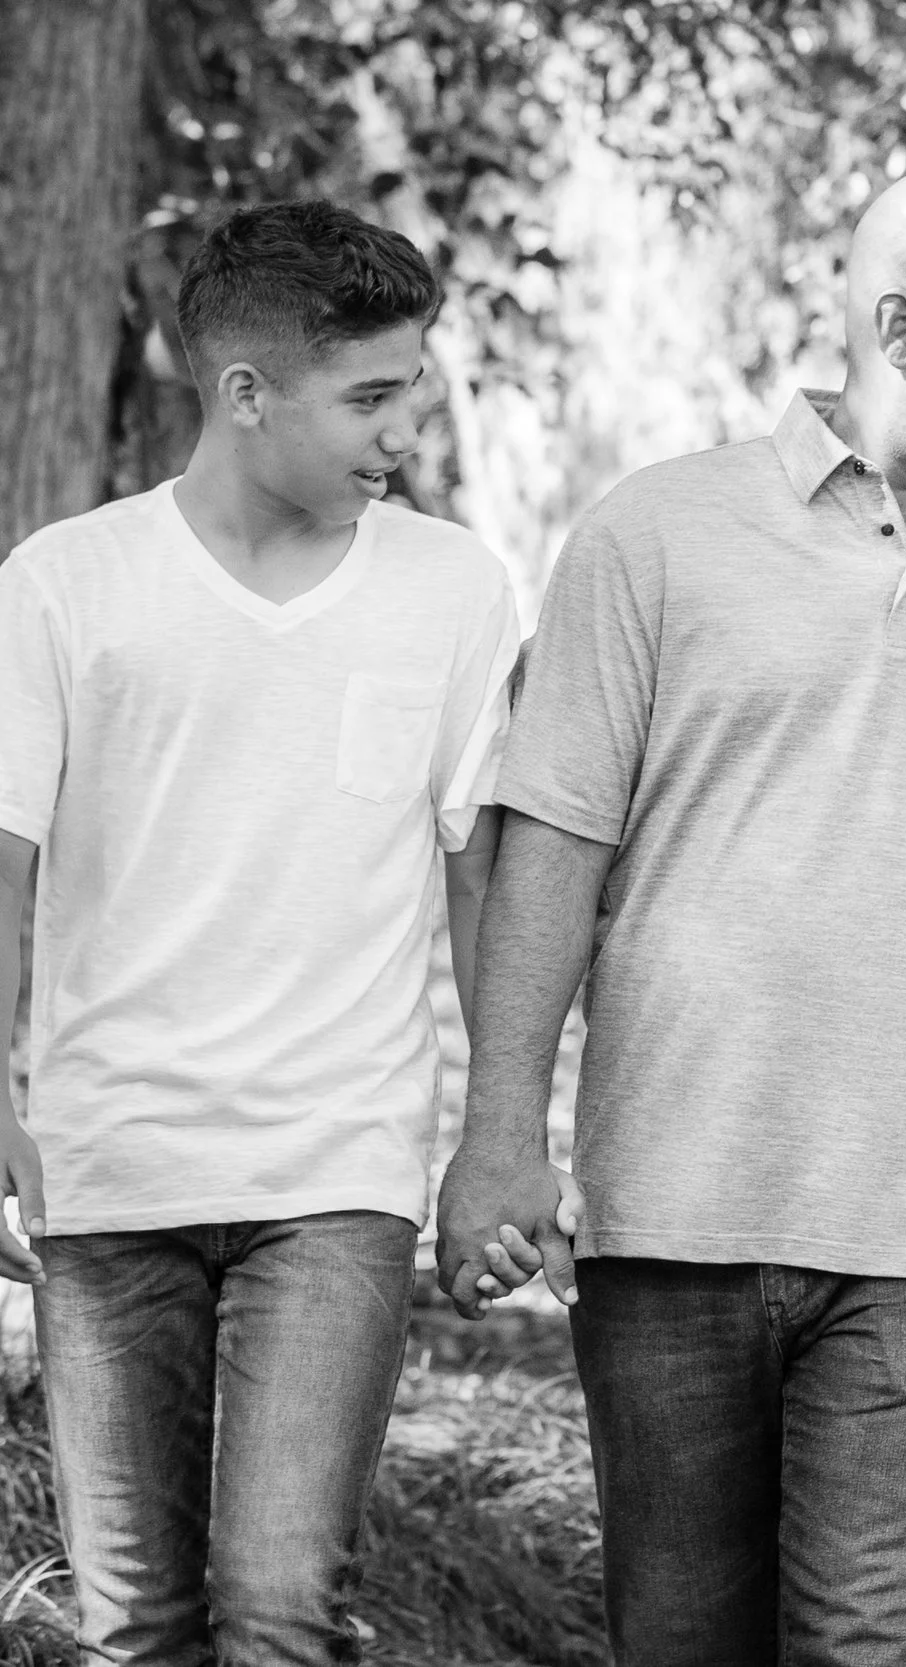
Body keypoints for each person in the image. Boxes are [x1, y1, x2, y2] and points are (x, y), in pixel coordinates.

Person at [433, 164, 906, 1666]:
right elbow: (553, 847)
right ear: (901, 322)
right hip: (673, 1210)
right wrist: (496, 1136)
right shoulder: (654, 535)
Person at [0, 201, 520, 1663]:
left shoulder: (455, 589)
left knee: (284, 1604)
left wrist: (503, 1135)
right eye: (370, 394)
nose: (406, 426)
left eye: (412, 385)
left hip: (336, 1170)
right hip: (115, 1165)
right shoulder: (66, 584)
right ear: (244, 394)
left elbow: (480, 873)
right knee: (137, 1624)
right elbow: (4, 863)